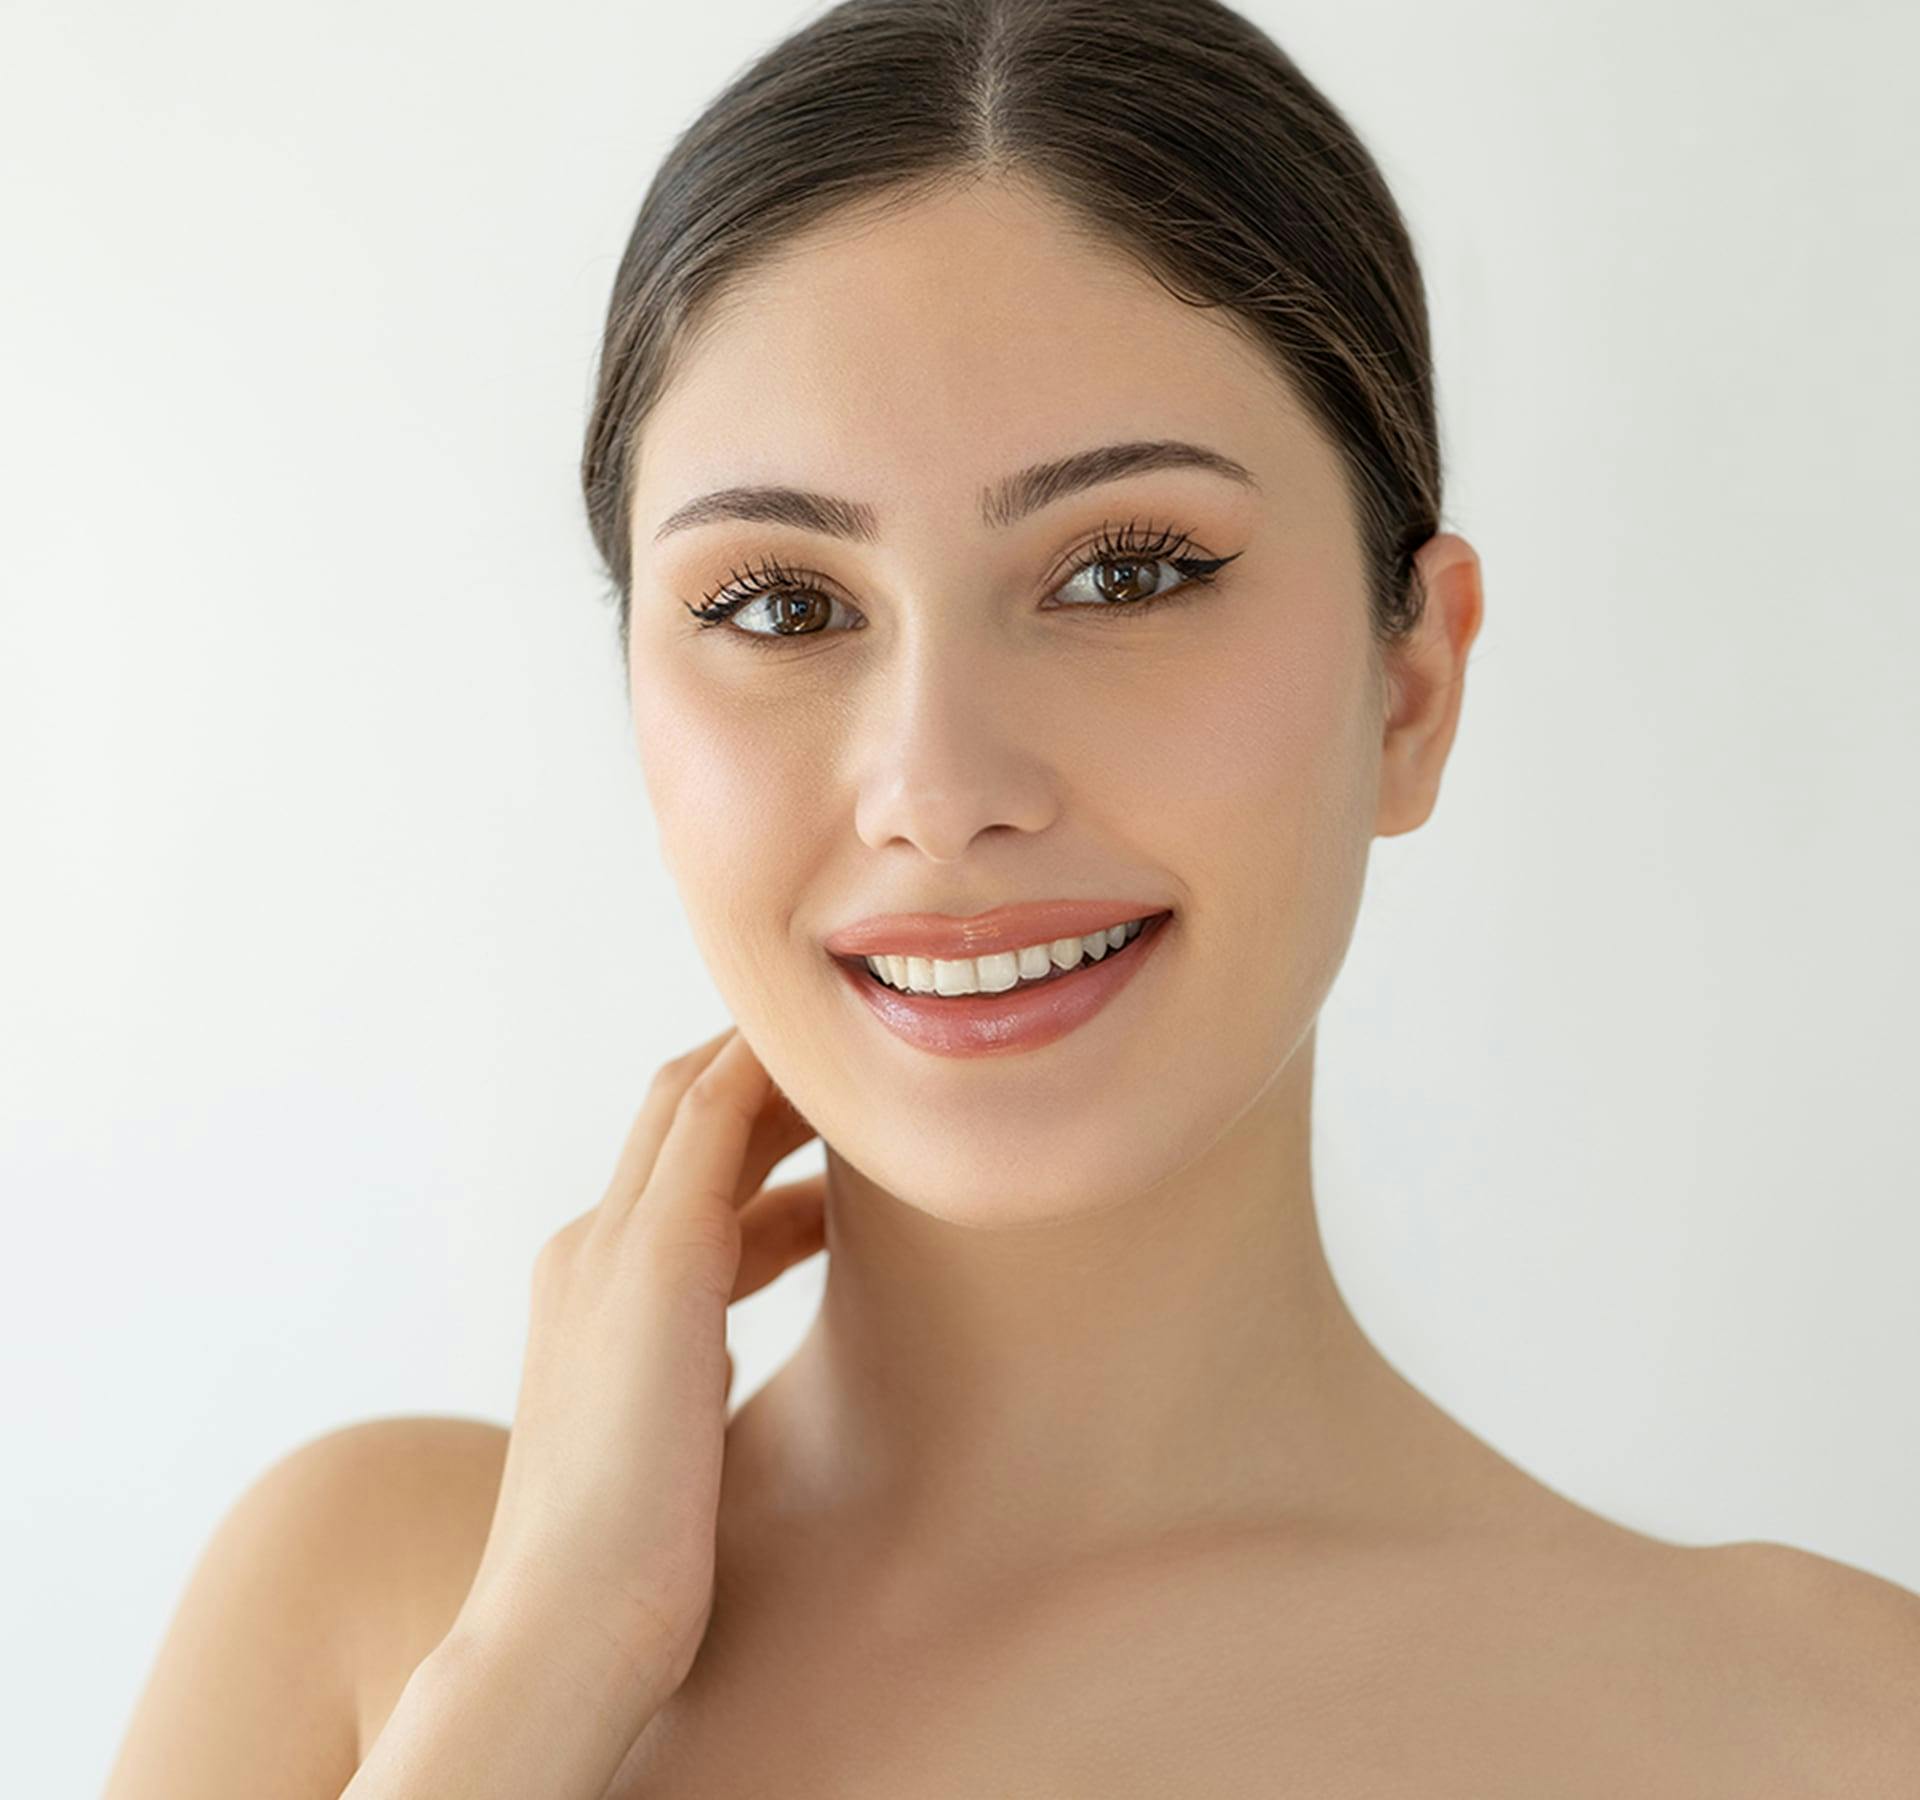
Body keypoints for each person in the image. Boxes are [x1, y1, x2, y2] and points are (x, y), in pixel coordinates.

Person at [104, 1, 1920, 1795]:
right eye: (779, 606)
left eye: (1125, 574)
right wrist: (542, 1669)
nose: (937, 786)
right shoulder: (375, 1609)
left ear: (1411, 688)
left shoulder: (1829, 1729)